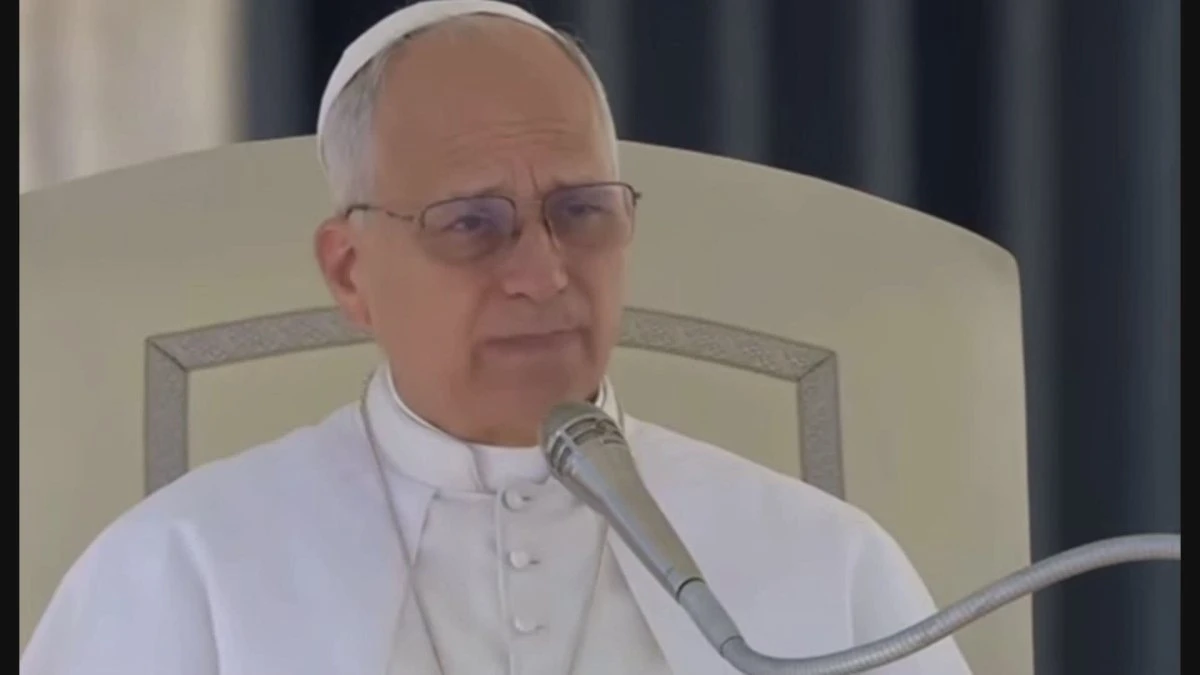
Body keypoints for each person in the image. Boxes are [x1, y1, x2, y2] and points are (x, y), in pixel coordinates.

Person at [20, 1, 973, 673]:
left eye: (581, 211)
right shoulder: (182, 569)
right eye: (472, 222)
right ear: (350, 272)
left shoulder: (824, 565)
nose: (545, 273)